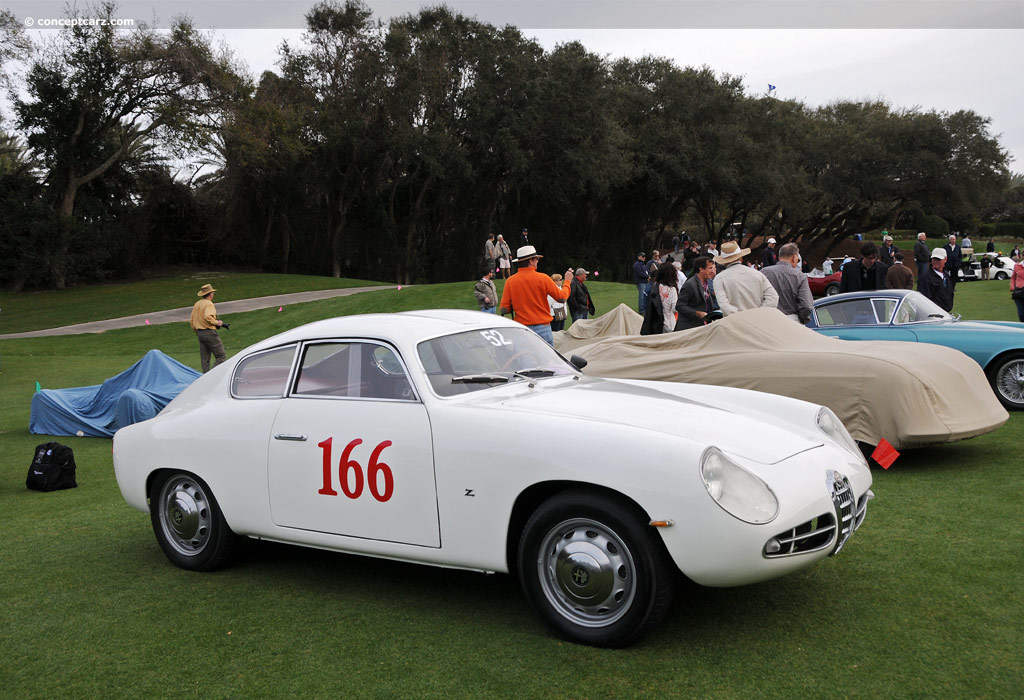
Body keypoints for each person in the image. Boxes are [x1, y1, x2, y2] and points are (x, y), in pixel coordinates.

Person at [499, 245, 572, 345]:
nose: (538, 261)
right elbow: (562, 298)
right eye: (536, 259)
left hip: (522, 330)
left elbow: (504, 309)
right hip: (543, 329)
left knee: (524, 360)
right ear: (530, 261)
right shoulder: (543, 278)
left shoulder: (510, 281)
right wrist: (567, 281)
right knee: (546, 360)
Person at [712, 241, 779, 315]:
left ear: (723, 261)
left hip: (734, 323)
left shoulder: (719, 279)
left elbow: (724, 305)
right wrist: (759, 314)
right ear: (741, 258)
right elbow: (773, 298)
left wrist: (741, 316)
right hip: (758, 321)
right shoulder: (757, 274)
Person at [760, 243, 813, 323]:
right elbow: (806, 305)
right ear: (794, 257)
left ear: (779, 257)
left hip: (767, 320)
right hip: (792, 321)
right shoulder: (800, 276)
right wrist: (802, 319)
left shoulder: (763, 272)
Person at [190, 283, 228, 373]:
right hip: (209, 332)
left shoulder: (197, 304)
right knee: (221, 356)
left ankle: (205, 378)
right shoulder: (209, 304)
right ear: (210, 294)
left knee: (205, 359)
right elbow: (208, 316)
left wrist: (196, 330)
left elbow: (192, 320)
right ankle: (212, 375)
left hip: (200, 333)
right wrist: (218, 323)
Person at [674, 256, 717, 330]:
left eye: (713, 268)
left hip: (702, 326)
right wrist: (697, 313)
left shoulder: (707, 283)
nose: (713, 271)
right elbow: (679, 306)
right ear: (701, 269)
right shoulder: (690, 284)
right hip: (689, 328)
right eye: (710, 268)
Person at [917, 248, 954, 312]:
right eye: (934, 259)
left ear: (945, 259)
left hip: (945, 313)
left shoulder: (946, 275)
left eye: (938, 259)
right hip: (932, 314)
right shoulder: (926, 277)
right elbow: (923, 301)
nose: (935, 261)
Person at [1011, 257, 1024, 322]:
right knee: (1021, 314)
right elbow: (1013, 277)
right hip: (1018, 291)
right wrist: (1012, 287)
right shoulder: (1017, 266)